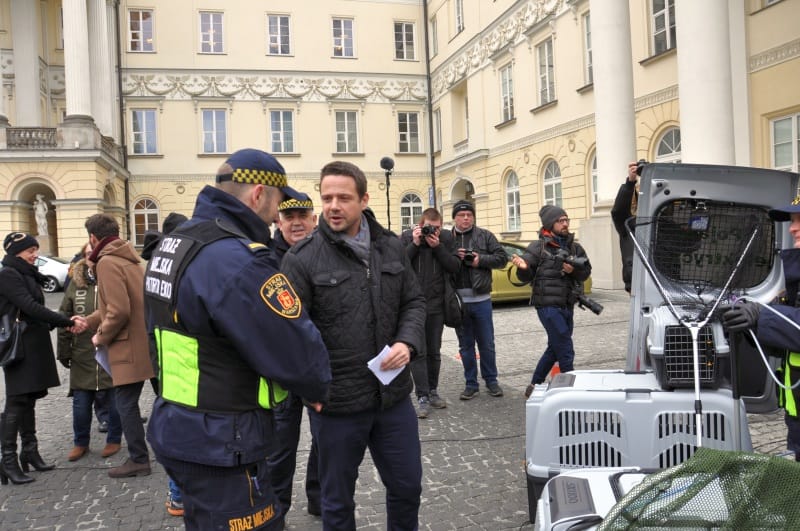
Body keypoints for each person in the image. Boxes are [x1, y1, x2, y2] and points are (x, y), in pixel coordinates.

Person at [143, 148, 331, 531]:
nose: (277, 213)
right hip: (224, 439)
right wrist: (317, 387)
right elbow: (296, 350)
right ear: (259, 194)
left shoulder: (175, 244)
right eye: (279, 202)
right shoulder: (239, 259)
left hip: (179, 423)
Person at [281, 160, 426, 530]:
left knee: (407, 487)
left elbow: (414, 301)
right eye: (326, 197)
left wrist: (408, 342)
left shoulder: (391, 247)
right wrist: (308, 389)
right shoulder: (300, 259)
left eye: (343, 197)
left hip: (392, 398)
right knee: (337, 501)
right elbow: (287, 333)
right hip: (336, 405)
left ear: (363, 199)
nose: (333, 205)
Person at [0, 232, 86, 485]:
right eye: (30, 250)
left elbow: (34, 311)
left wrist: (61, 323)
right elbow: (29, 306)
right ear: (16, 252)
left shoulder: (27, 274)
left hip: (33, 343)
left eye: (36, 249)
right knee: (16, 401)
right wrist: (66, 321)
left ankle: (30, 451)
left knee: (29, 399)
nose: (35, 254)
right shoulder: (8, 275)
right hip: (19, 347)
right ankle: (7, 460)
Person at [722, 196, 800, 461]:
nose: (792, 228)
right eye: (792, 221)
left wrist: (762, 315)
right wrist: (749, 326)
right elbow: (788, 339)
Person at [84, 213, 155, 479]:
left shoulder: (107, 262)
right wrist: (89, 321)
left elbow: (119, 310)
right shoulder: (132, 258)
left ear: (93, 238)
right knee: (164, 399)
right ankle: (171, 445)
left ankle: (139, 459)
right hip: (147, 341)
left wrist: (100, 336)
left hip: (127, 346)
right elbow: (120, 305)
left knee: (125, 403)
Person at [267, 192, 323, 520]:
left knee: (325, 442)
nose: (297, 222)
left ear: (314, 219)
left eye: (303, 214)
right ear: (279, 221)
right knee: (280, 448)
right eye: (289, 217)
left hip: (318, 368)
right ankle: (277, 512)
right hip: (281, 373)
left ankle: (318, 499)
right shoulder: (262, 261)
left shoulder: (328, 253)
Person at [512, 205, 592, 398]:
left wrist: (574, 271)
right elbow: (525, 274)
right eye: (560, 220)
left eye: (566, 220)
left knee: (555, 347)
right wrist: (523, 268)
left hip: (567, 304)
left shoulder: (575, 247)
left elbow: (586, 272)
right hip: (547, 305)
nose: (565, 224)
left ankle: (534, 384)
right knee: (565, 347)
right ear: (550, 224)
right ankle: (569, 391)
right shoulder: (538, 247)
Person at [139, 211, 188, 517]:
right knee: (182, 428)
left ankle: (178, 495)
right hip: (178, 359)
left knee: (177, 424)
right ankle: (178, 494)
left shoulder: (156, 263)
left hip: (164, 359)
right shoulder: (175, 266)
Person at [57, 242, 122, 462]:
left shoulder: (111, 279)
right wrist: (64, 351)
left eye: (94, 254)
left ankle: (114, 439)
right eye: (87, 254)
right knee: (81, 404)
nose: (91, 258)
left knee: (115, 402)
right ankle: (80, 443)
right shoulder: (75, 285)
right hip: (82, 355)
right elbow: (64, 317)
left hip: (109, 353)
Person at [400, 208, 460, 418]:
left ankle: (433, 391)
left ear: (441, 225)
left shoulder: (445, 239)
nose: (432, 231)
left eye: (436, 228)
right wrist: (415, 244)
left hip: (436, 304)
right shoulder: (408, 237)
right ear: (420, 224)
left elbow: (454, 266)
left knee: (434, 351)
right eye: (428, 227)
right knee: (418, 352)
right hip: (413, 305)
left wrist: (439, 248)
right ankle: (422, 396)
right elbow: (399, 265)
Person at [449, 199, 508, 400]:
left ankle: (491, 381)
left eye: (469, 215)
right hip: (459, 302)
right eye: (461, 215)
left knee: (487, 344)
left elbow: (502, 258)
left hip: (482, 299)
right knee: (465, 346)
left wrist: (479, 260)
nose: (466, 218)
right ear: (454, 218)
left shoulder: (485, 235)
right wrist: (453, 256)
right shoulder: (447, 238)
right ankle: (471, 384)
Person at [610, 161, 640, 293]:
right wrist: (630, 183)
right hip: (635, 281)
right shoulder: (626, 224)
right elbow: (618, 211)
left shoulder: (661, 221)